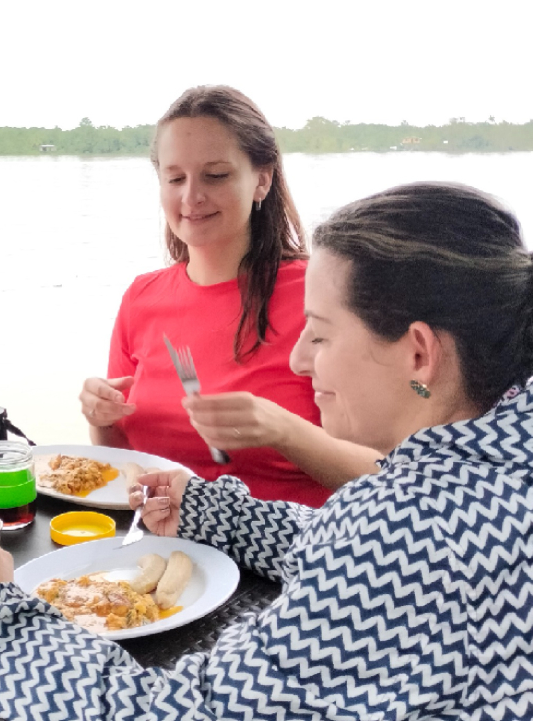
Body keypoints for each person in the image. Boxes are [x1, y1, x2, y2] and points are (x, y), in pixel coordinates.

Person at [0, 182, 533, 721]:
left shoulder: (413, 528)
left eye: (321, 334)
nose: (300, 359)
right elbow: (351, 555)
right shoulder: (492, 469)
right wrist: (214, 512)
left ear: (420, 353)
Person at [79, 85, 379, 507]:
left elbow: (387, 472)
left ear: (262, 179)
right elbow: (124, 465)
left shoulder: (326, 293)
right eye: (175, 178)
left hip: (294, 554)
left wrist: (283, 430)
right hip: (168, 548)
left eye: (215, 175)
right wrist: (102, 421)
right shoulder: (141, 298)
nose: (191, 197)